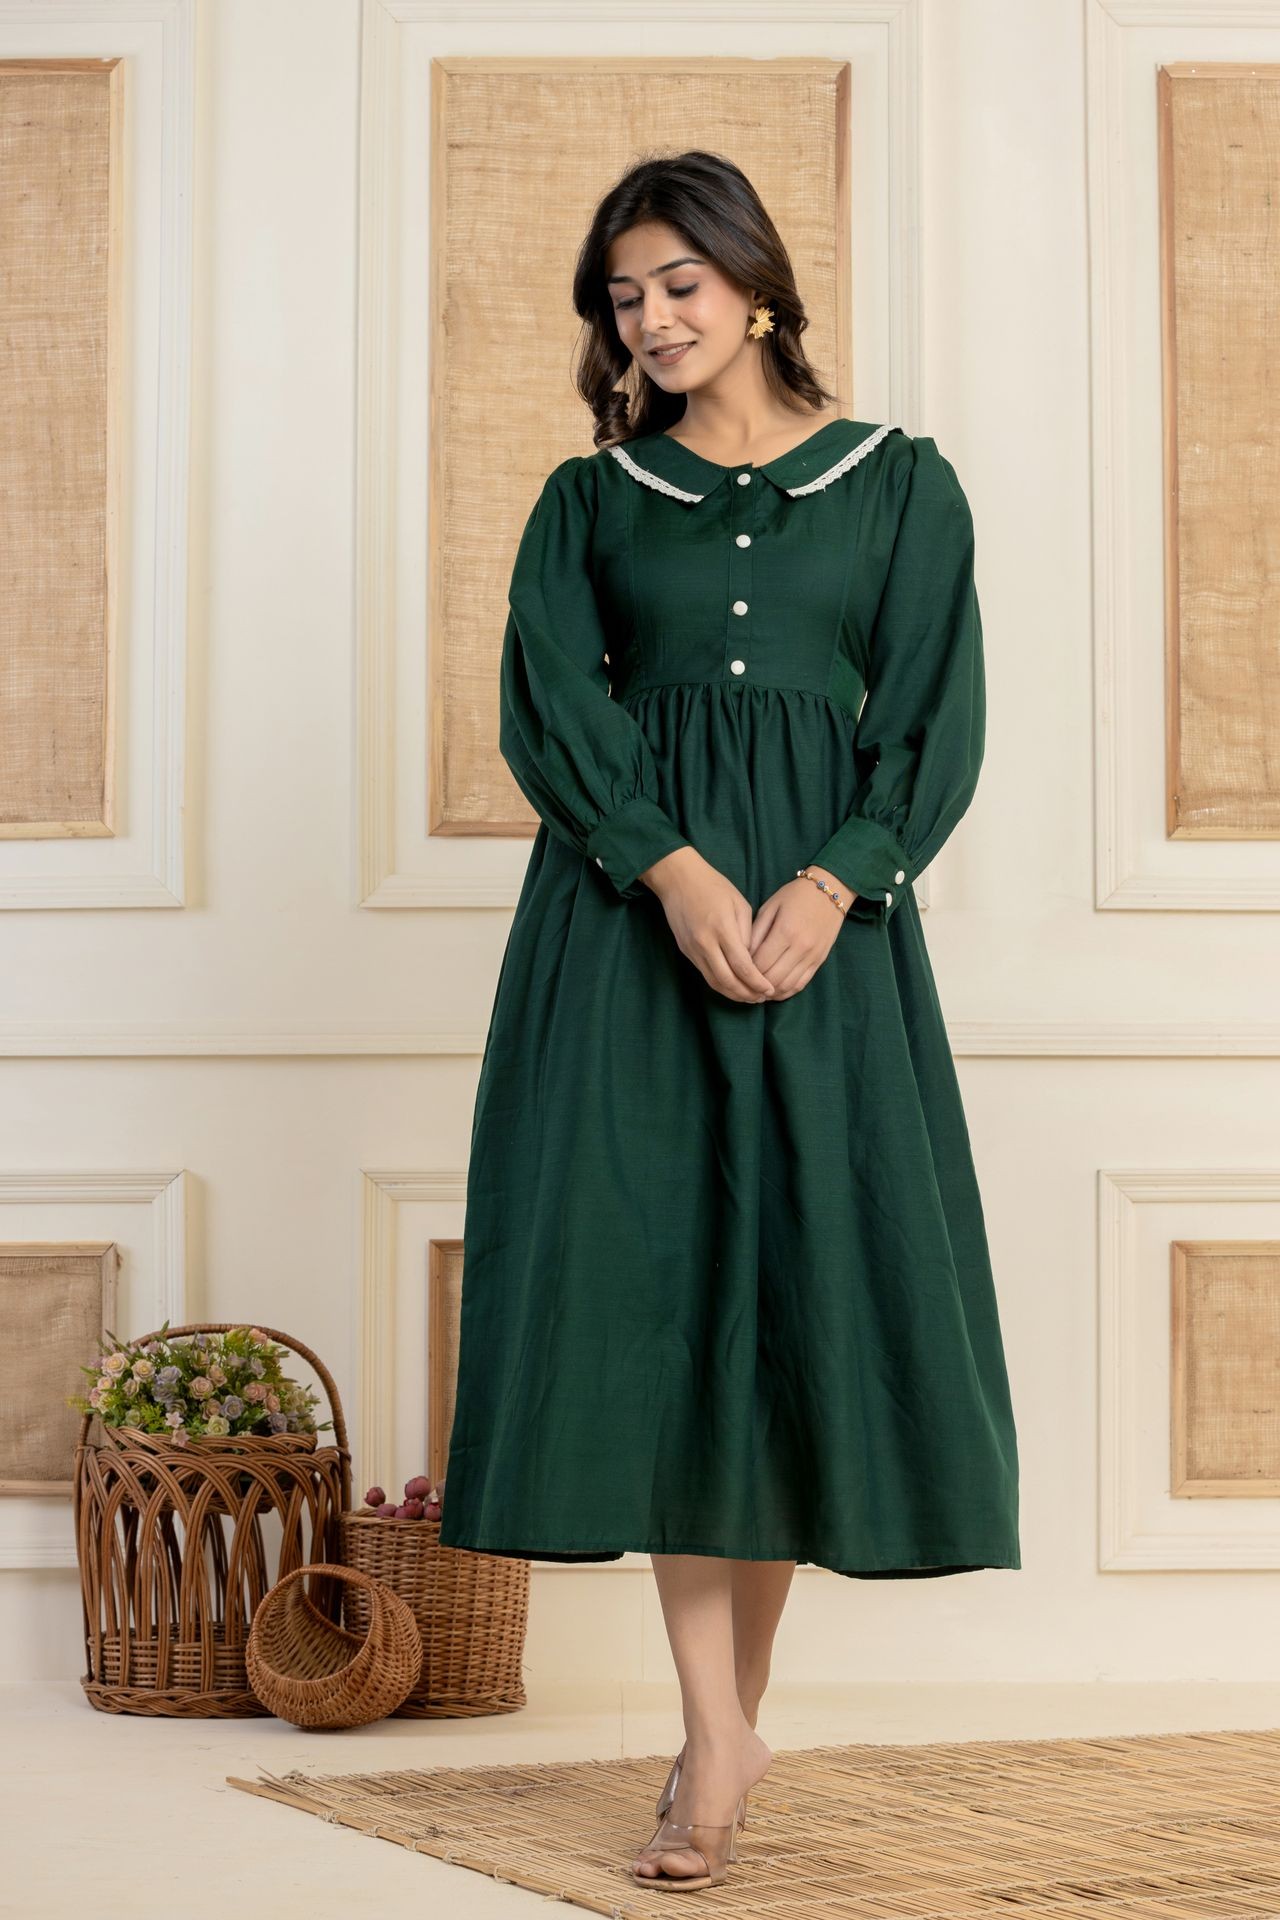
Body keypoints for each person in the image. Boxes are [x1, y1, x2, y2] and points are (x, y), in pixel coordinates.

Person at [438, 148, 1021, 1893]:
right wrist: (675, 874)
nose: (652, 319)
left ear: (757, 287)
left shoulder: (903, 489)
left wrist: (837, 883)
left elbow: (934, 714)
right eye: (624, 296)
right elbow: (554, 713)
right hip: (626, 943)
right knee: (667, 1303)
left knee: (773, 1319)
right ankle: (716, 1738)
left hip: (828, 947)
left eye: (679, 284)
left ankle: (721, 1736)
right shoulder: (590, 501)